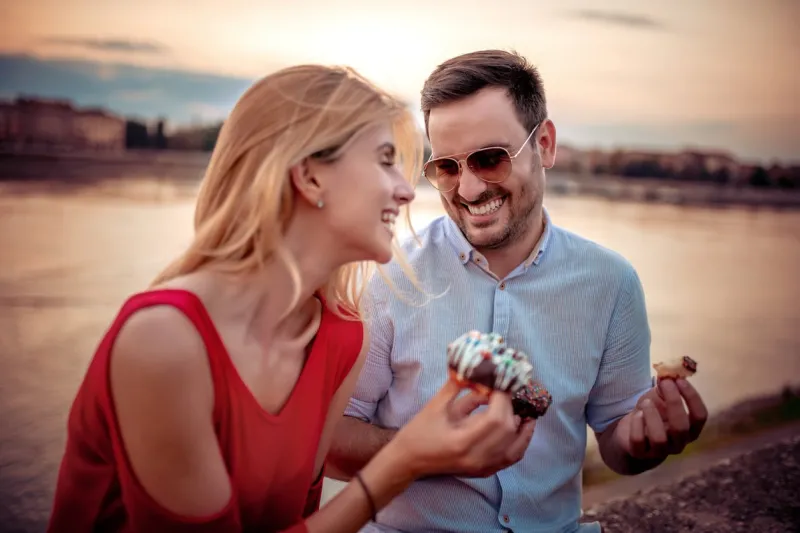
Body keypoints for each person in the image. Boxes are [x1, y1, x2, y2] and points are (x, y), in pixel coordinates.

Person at [47, 64, 534, 533]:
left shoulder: (344, 336)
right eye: (386, 160)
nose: (408, 191)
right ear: (310, 176)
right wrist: (404, 460)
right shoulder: (163, 341)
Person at [327, 50, 709, 532]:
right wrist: (420, 453)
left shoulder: (612, 284)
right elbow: (327, 443)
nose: (467, 190)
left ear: (544, 145)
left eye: (489, 160)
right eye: (446, 167)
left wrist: (646, 438)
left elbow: (616, 441)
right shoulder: (388, 277)